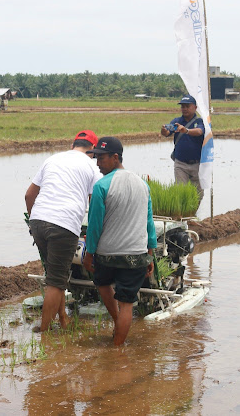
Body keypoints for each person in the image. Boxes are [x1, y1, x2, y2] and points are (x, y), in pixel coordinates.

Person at [25, 130, 103, 332]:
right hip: (63, 225)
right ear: (92, 152)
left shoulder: (52, 159)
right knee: (57, 282)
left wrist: (34, 223)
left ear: (72, 145)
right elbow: (94, 205)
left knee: (55, 275)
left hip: (38, 220)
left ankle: (63, 319)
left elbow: (29, 195)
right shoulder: (92, 167)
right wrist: (92, 235)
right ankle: (44, 332)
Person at [82, 137, 157, 346]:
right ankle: (118, 347)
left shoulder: (101, 187)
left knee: (103, 283)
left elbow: (94, 226)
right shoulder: (143, 185)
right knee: (126, 304)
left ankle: (117, 337)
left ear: (115, 157)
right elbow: (148, 222)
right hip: (135, 255)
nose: (98, 163)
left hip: (107, 255)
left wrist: (89, 254)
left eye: (102, 158)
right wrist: (150, 254)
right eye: (96, 158)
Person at [161, 95, 205, 199]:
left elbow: (199, 131)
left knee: (198, 194)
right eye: (182, 106)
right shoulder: (177, 121)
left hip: (197, 164)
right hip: (180, 164)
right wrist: (163, 131)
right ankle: (183, 214)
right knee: (180, 193)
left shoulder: (200, 122)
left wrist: (186, 131)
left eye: (187, 106)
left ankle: (193, 213)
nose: (184, 109)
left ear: (195, 107)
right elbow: (167, 132)